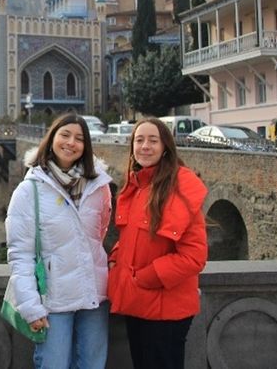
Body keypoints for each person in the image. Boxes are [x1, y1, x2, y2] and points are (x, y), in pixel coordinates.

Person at [5, 113, 112, 369]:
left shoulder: (99, 187)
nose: (71, 142)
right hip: (54, 299)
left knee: (93, 364)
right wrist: (30, 307)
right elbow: (20, 253)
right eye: (65, 135)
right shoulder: (30, 190)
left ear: (86, 146)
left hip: (93, 294)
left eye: (79, 138)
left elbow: (100, 234)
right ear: (51, 138)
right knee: (54, 364)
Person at [107, 117, 208, 369]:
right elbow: (129, 237)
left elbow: (194, 256)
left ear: (165, 148)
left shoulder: (181, 187)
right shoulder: (137, 186)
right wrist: (115, 259)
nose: (145, 146)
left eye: (153, 140)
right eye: (139, 140)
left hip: (166, 309)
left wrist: (145, 278)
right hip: (137, 302)